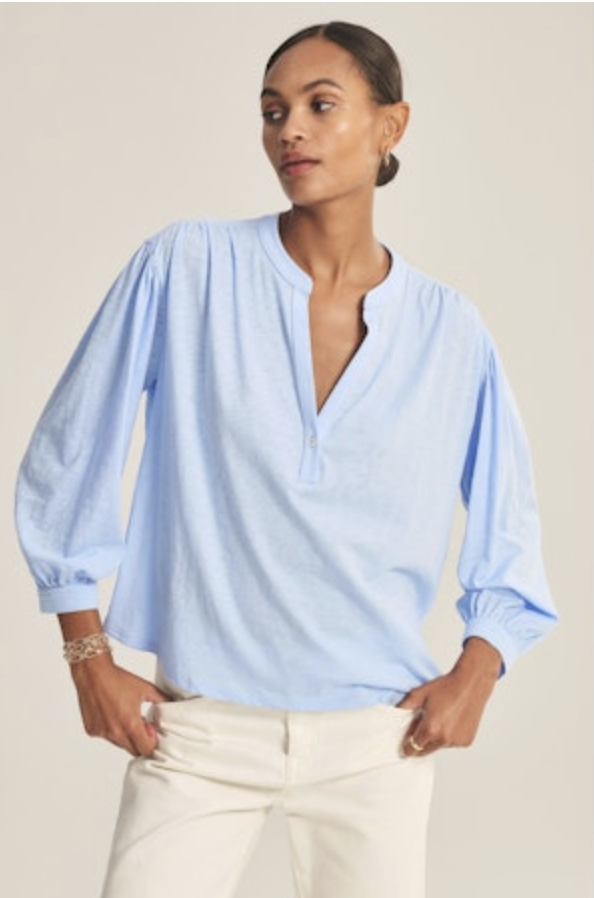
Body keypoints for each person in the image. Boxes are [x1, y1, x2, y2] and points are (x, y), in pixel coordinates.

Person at [15, 21, 558, 898]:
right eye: (272, 111)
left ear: (391, 126)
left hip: (377, 740)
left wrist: (478, 670)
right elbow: (67, 454)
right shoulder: (186, 267)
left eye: (319, 105)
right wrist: (87, 656)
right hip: (196, 729)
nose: (289, 130)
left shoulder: (450, 330)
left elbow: (511, 523)